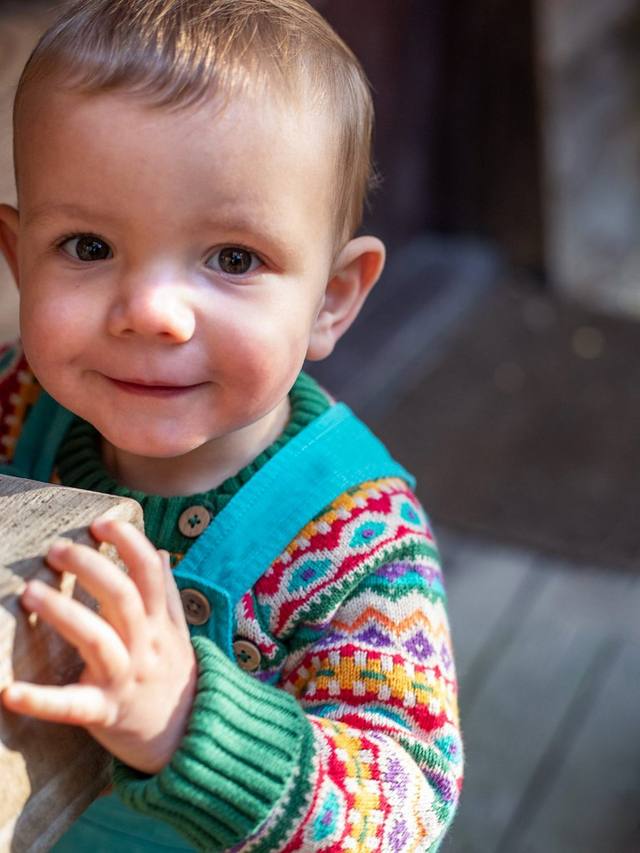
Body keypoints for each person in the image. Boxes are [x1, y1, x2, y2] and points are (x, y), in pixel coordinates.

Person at [0, 0, 463, 850]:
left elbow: (409, 807)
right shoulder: (17, 400)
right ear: (18, 260)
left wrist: (189, 722)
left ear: (331, 299)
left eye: (234, 258)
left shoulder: (356, 535)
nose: (151, 311)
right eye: (89, 246)